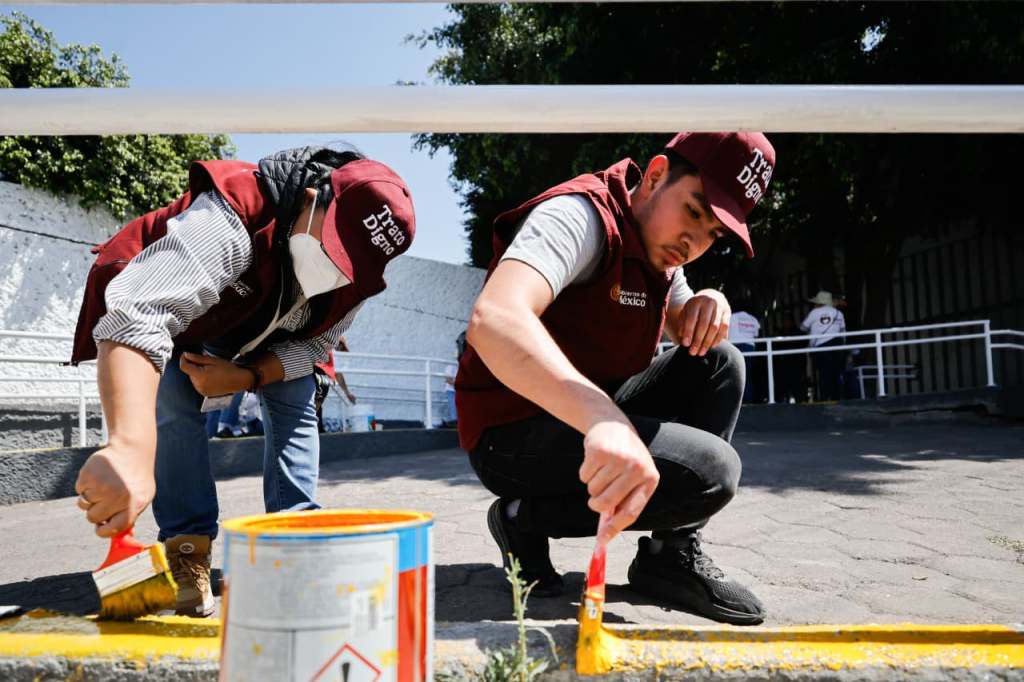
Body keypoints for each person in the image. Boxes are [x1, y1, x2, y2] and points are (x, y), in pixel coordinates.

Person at [69, 145, 415, 617]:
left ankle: (293, 541)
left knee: (296, 396)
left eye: (349, 263)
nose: (335, 271)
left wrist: (249, 375)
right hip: (190, 323)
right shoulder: (237, 212)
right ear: (311, 199)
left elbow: (314, 348)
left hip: (263, 340)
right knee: (170, 399)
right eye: (334, 248)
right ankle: (187, 548)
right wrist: (129, 447)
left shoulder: (358, 279)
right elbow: (142, 312)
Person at [456, 132, 775, 625]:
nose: (694, 243)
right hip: (511, 431)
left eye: (713, 233)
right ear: (653, 176)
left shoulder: (662, 251)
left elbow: (680, 318)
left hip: (583, 413)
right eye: (693, 212)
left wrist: (709, 302)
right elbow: (494, 319)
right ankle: (521, 518)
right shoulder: (579, 216)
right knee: (710, 474)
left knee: (720, 361)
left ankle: (669, 556)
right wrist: (604, 420)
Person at [800, 290, 847, 401]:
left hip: (821, 346)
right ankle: (837, 397)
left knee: (824, 373)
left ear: (819, 303)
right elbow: (843, 331)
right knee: (836, 372)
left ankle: (825, 398)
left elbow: (803, 327)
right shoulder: (838, 313)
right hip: (838, 344)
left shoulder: (814, 312)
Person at [727, 305, 761, 403]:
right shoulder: (753, 319)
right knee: (747, 375)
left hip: (736, 347)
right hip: (750, 348)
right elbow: (756, 335)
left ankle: (736, 401)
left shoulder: (731, 317)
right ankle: (748, 399)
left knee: (733, 375)